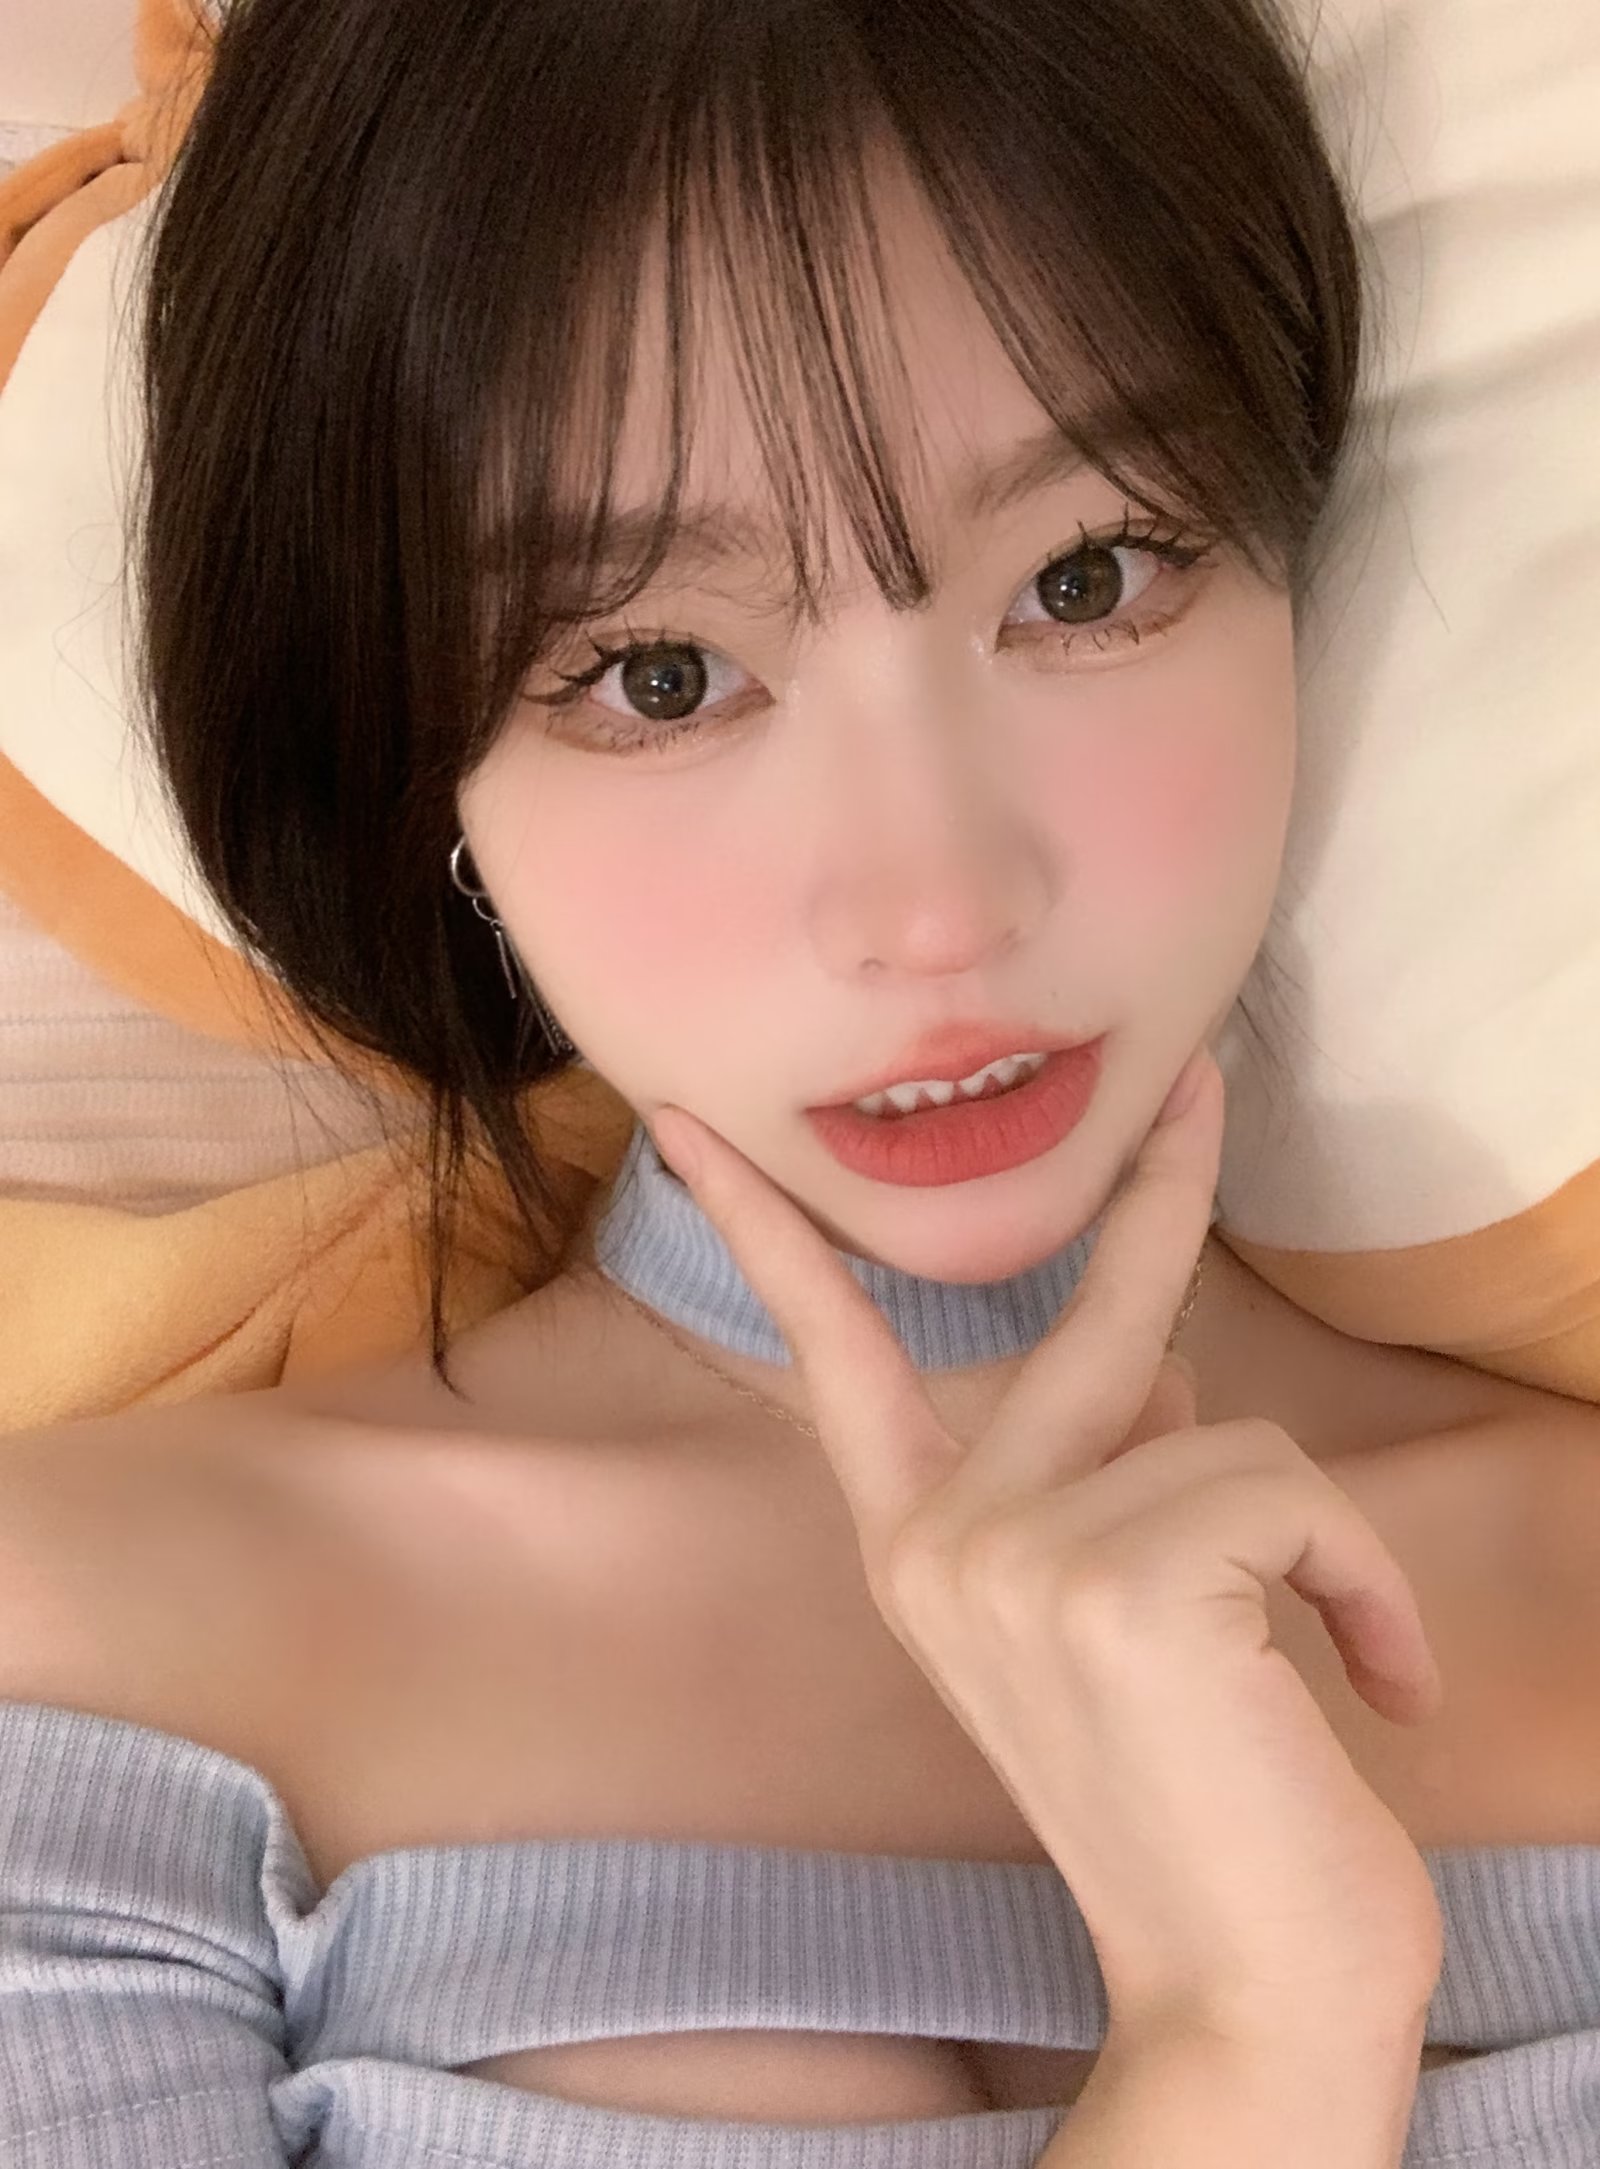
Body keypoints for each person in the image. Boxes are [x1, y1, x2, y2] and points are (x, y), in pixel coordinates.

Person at [2, 0, 1596, 2163]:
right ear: (414, 757)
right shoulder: (83, 1642)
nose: (937, 905)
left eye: (1087, 577)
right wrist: (1253, 2030)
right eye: (660, 675)